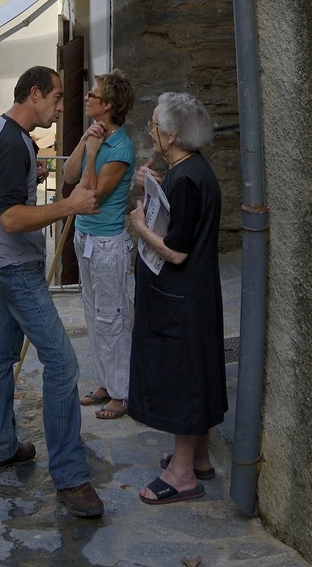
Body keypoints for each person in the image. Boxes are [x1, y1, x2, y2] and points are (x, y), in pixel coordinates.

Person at [0, 65, 105, 520]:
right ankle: (70, 477)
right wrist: (68, 205)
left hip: (0, 262)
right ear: (34, 93)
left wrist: (88, 147)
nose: (62, 104)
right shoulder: (11, 143)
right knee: (63, 364)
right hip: (15, 268)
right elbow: (10, 218)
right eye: (56, 96)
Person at [127, 91, 227, 506]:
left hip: (181, 298)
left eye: (154, 125)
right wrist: (152, 184)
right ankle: (199, 457)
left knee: (183, 378)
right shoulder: (191, 170)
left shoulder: (186, 179)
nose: (151, 130)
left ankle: (182, 474)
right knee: (195, 371)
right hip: (194, 295)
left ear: (169, 134)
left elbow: (176, 249)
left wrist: (138, 225)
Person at [61, 70, 136, 420]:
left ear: (106, 105)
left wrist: (93, 152)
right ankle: (106, 383)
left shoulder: (121, 148)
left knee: (113, 318)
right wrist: (84, 143)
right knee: (93, 315)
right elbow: (68, 177)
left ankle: (121, 394)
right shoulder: (94, 135)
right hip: (85, 238)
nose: (87, 98)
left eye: (93, 96)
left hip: (107, 244)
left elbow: (90, 194)